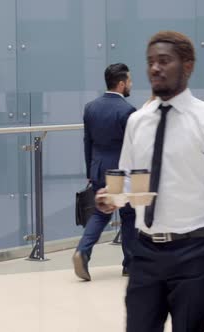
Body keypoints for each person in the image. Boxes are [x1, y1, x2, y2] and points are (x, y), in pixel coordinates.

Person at [96, 31, 204, 332]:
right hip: (145, 254)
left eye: (164, 61)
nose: (155, 68)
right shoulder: (138, 122)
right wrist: (113, 198)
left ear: (187, 66)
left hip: (193, 254)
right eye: (151, 62)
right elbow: (130, 182)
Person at [72, 63, 137, 281]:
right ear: (121, 84)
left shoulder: (91, 108)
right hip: (120, 171)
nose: (131, 84)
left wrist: (90, 169)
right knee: (129, 215)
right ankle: (130, 263)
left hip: (98, 167)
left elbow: (87, 141)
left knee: (101, 212)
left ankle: (83, 250)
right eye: (129, 80)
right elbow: (133, 146)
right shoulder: (127, 111)